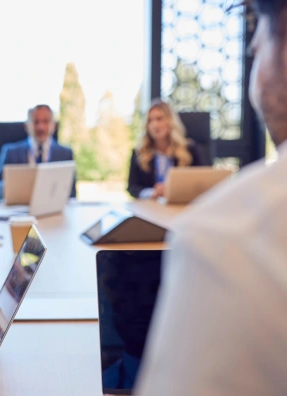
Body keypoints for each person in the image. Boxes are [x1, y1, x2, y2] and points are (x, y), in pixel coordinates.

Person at [135, 1, 287, 395]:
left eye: (260, 33)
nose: (253, 47)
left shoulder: (224, 235)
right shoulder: (142, 155)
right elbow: (132, 188)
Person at [0, 104, 76, 199]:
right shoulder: (11, 152)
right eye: (36, 122)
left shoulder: (65, 154)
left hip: (52, 210)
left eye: (45, 121)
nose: (41, 127)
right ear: (27, 126)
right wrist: (12, 187)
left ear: (54, 125)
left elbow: (71, 194)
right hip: (19, 209)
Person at [127, 99, 203, 199]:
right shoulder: (139, 153)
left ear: (171, 121)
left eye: (159, 119)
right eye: (150, 120)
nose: (155, 125)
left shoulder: (189, 149)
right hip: (151, 207)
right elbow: (132, 188)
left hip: (181, 206)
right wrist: (151, 192)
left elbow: (201, 184)